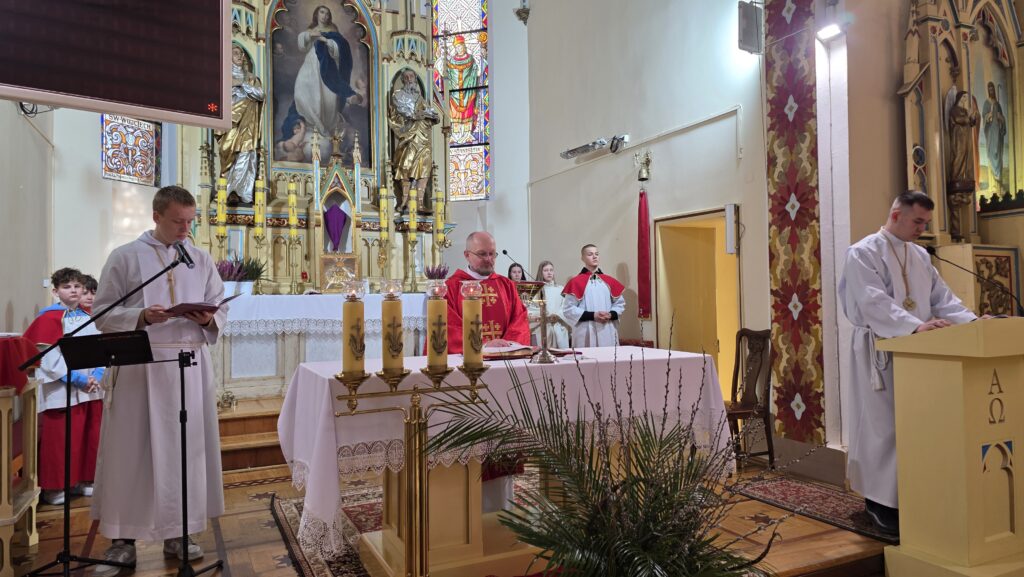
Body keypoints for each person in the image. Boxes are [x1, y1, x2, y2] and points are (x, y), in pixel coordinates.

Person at [89, 186, 228, 576]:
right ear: (156, 216)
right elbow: (101, 313)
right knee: (130, 453)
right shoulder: (125, 257)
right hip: (140, 367)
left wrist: (209, 318)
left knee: (186, 452)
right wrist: (141, 316)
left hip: (189, 367)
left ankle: (179, 533)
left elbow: (219, 305)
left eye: (190, 222)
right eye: (178, 222)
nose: (186, 230)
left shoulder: (200, 258)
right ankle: (122, 540)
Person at [838, 190, 979, 536]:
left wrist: (974, 324)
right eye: (918, 221)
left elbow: (942, 300)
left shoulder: (919, 255)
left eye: (926, 223)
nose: (922, 229)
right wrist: (915, 326)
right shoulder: (863, 252)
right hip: (880, 352)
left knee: (913, 426)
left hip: (918, 353)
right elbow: (873, 302)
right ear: (896, 214)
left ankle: (910, 497)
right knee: (884, 427)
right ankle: (879, 503)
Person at [22, 268, 104, 506]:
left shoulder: (89, 316)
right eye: (67, 287)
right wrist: (77, 379)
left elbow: (100, 346)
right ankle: (55, 486)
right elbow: (47, 357)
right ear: (55, 291)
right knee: (62, 439)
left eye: (77, 286)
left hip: (91, 388)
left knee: (88, 435)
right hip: (63, 388)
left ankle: (83, 479)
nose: (74, 291)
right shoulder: (48, 318)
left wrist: (97, 374)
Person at [444, 232, 530, 354]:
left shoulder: (507, 285)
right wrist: (483, 345)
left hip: (505, 357)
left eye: (492, 254)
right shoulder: (451, 287)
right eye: (482, 254)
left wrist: (506, 346)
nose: (489, 259)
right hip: (468, 359)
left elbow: (519, 321)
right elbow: (449, 327)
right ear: (467, 255)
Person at [294, 5, 356, 141]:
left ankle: (326, 128)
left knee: (328, 97)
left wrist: (327, 41)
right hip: (311, 64)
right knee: (302, 92)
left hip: (328, 66)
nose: (325, 16)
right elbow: (302, 46)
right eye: (322, 12)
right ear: (316, 14)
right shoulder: (311, 30)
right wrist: (310, 35)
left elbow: (340, 49)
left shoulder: (333, 31)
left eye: (327, 14)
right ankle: (314, 123)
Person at [216, 44, 265, 205]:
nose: (240, 56)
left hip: (247, 123)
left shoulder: (251, 78)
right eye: (236, 52)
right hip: (229, 121)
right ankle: (227, 189)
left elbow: (260, 94)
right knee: (228, 151)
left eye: (242, 53)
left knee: (246, 153)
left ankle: (241, 192)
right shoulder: (223, 76)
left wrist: (241, 83)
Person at [389, 69, 439, 214]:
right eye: (406, 77)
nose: (409, 79)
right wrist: (421, 114)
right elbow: (405, 112)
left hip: (424, 138)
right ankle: (405, 201)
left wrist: (431, 115)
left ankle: (420, 203)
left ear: (415, 79)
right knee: (406, 165)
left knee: (425, 167)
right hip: (409, 136)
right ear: (403, 80)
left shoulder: (419, 97)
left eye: (411, 76)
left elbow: (433, 114)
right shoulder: (398, 95)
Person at [562, 244, 626, 347]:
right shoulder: (575, 282)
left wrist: (611, 314)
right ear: (583, 258)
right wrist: (593, 315)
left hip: (607, 330)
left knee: (609, 356)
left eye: (597, 254)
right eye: (590, 254)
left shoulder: (609, 281)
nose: (594, 256)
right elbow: (568, 309)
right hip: (585, 330)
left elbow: (620, 304)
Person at [528, 261, 570, 348]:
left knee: (561, 354)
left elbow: (566, 306)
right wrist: (545, 315)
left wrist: (557, 315)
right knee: (543, 352)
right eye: (546, 270)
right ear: (541, 272)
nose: (549, 273)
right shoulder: (535, 290)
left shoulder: (561, 289)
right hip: (542, 327)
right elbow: (530, 309)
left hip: (559, 326)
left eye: (551, 270)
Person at [446, 35, 479, 134]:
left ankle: (467, 133)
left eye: (460, 46)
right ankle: (456, 133)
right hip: (454, 91)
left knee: (468, 109)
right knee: (454, 111)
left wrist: (473, 75)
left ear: (464, 46)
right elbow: (449, 74)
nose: (458, 49)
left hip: (468, 90)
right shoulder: (451, 61)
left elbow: (474, 72)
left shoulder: (470, 59)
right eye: (456, 47)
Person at [983, 81, 1006, 193]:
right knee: (992, 153)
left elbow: (1002, 119)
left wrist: (1001, 119)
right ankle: (993, 184)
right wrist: (989, 115)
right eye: (990, 89)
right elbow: (984, 117)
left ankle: (999, 183)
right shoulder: (986, 104)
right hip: (991, 134)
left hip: (998, 133)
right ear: (988, 91)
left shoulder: (998, 104)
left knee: (998, 153)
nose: (991, 91)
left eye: (992, 89)